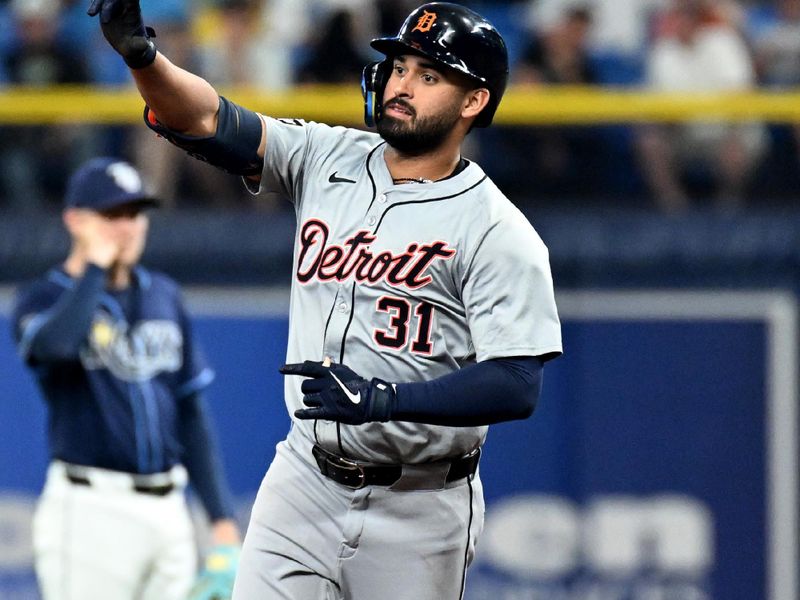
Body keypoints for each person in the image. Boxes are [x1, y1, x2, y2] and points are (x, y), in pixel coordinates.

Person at [87, 1, 562, 598]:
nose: (402, 84)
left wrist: (386, 400)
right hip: (304, 479)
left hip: (421, 506)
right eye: (400, 67)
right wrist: (143, 57)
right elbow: (206, 118)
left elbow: (517, 382)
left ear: (474, 102)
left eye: (430, 75)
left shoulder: (498, 230)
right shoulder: (325, 155)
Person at [10, 157, 241, 600]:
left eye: (135, 213)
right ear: (75, 220)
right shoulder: (42, 296)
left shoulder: (164, 295)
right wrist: (94, 269)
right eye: (112, 215)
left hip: (169, 509)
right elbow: (55, 347)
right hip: (91, 510)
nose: (128, 226)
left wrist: (221, 521)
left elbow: (191, 413)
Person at [635, 0, 767, 212]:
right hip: (682, 130)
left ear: (697, 22)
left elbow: (740, 94)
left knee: (739, 137)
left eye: (686, 18)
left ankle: (728, 204)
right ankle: (673, 208)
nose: (680, 24)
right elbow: (658, 105)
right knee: (649, 140)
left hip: (723, 128)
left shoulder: (723, 41)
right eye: (676, 19)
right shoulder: (662, 50)